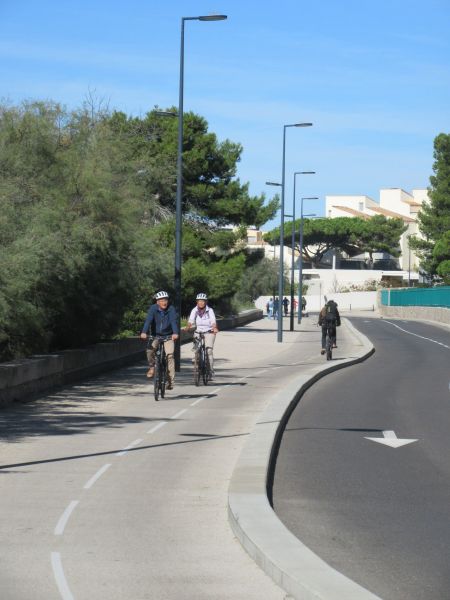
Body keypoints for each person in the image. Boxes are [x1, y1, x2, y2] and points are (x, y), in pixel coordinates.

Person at [140, 291, 179, 389]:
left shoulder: (171, 309)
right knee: (149, 351)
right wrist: (144, 332)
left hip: (168, 336)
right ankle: (152, 367)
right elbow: (148, 320)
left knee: (170, 356)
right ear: (157, 302)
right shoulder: (153, 308)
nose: (164, 302)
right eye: (161, 300)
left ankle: (170, 381)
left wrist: (175, 333)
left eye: (165, 300)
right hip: (155, 335)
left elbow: (173, 321)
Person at [185, 293, 219, 378]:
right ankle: (196, 358)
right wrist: (187, 327)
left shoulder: (210, 310)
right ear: (197, 302)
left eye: (203, 301)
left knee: (209, 351)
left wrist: (214, 328)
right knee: (196, 348)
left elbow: (213, 321)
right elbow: (191, 320)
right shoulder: (194, 310)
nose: (201, 303)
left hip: (209, 331)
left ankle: (210, 370)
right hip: (198, 331)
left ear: (206, 302)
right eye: (199, 301)